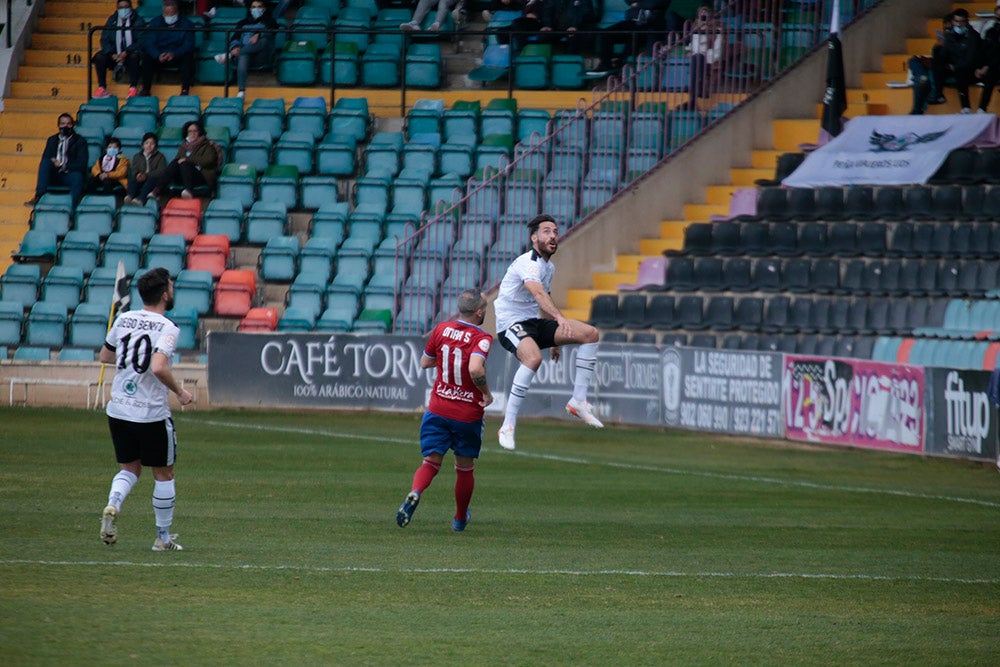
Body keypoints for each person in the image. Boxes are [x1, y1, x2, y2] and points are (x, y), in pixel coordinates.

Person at [99, 267, 194, 552]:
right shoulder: (167, 327)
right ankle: (162, 538)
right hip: (150, 413)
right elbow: (158, 366)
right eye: (172, 287)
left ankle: (113, 504)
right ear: (165, 294)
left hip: (118, 410)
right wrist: (180, 392)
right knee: (164, 474)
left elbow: (105, 355)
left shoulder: (124, 318)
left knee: (129, 468)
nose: (173, 291)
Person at [494, 213, 603, 451]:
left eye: (555, 231)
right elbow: (538, 294)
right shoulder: (528, 262)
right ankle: (508, 425)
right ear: (534, 238)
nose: (553, 236)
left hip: (533, 321)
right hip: (511, 324)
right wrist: (559, 318)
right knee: (533, 358)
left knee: (590, 334)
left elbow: (546, 298)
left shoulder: (548, 266)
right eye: (547, 231)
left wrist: (555, 338)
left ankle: (578, 401)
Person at [396, 290, 494, 532]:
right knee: (464, 467)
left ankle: (416, 491)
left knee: (430, 462)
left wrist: (446, 359)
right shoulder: (482, 338)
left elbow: (424, 363)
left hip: (438, 408)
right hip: (466, 413)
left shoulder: (440, 329)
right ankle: (460, 519)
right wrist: (487, 394)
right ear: (479, 312)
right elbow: (476, 369)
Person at [213, 0, 279, 99]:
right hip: (245, 57)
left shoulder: (270, 21)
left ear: (264, 9)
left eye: (259, 7)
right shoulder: (242, 23)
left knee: (264, 40)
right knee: (244, 55)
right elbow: (235, 38)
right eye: (253, 7)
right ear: (250, 9)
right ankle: (241, 92)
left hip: (261, 56)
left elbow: (272, 33)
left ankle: (230, 55)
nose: (256, 9)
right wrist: (235, 47)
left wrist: (259, 34)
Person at [586, 0, 670, 76]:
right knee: (607, 33)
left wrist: (638, 3)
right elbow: (630, 1)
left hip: (652, 26)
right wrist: (641, 4)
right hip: (633, 22)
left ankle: (623, 63)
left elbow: (656, 3)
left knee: (635, 36)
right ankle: (605, 64)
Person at [24, 113, 90, 209]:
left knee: (78, 177)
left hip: (69, 174)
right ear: (58, 125)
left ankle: (71, 208)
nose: (65, 126)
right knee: (45, 163)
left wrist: (63, 165)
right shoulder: (52, 140)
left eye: (68, 124)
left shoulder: (80, 141)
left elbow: (82, 164)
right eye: (63, 124)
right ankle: (39, 197)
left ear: (72, 125)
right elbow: (46, 157)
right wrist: (54, 162)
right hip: (54, 174)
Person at [931, 8, 983, 113]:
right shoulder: (949, 35)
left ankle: (966, 107)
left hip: (969, 69)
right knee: (935, 63)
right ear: (953, 21)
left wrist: (955, 66)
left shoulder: (973, 37)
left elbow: (971, 59)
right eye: (956, 21)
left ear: (966, 22)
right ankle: (938, 94)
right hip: (953, 66)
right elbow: (943, 56)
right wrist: (938, 47)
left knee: (961, 72)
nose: (959, 25)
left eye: (961, 22)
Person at [141, 0, 196, 96]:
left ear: (177, 11)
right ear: (163, 11)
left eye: (172, 13)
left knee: (188, 56)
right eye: (167, 13)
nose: (169, 15)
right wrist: (157, 55)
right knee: (147, 57)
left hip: (177, 55)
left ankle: (185, 90)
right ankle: (145, 89)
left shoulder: (187, 24)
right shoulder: (155, 23)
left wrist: (174, 54)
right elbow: (149, 42)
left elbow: (188, 44)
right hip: (159, 55)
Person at [92, 0, 145, 99]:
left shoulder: (138, 20)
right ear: (117, 9)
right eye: (121, 7)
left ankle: (133, 88)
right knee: (99, 56)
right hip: (114, 55)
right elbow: (104, 39)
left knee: (135, 56)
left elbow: (141, 41)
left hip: (130, 55)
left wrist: (127, 52)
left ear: (131, 7)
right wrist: (112, 54)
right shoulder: (112, 20)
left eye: (126, 7)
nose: (123, 10)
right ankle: (102, 88)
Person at [157, 121, 221, 200]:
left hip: (201, 175)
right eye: (190, 131)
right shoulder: (184, 146)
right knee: (175, 163)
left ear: (200, 132)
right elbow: (178, 160)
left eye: (195, 131)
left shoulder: (207, 145)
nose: (192, 133)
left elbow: (209, 160)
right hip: (184, 175)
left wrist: (189, 159)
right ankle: (158, 190)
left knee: (185, 163)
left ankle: (189, 191)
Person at [685, 3, 723, 107]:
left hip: (709, 59)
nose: (703, 16)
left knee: (698, 58)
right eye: (701, 14)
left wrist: (704, 54)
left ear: (710, 17)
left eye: (705, 14)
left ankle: (693, 98)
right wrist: (692, 52)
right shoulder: (695, 30)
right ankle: (698, 91)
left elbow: (717, 51)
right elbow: (692, 46)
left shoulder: (717, 30)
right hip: (696, 59)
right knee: (696, 58)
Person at [125, 132, 167, 206]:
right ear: (143, 145)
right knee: (133, 180)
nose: (149, 146)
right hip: (140, 178)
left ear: (155, 146)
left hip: (152, 179)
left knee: (151, 181)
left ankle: (140, 200)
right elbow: (134, 169)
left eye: (152, 144)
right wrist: (138, 174)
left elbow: (161, 171)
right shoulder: (137, 156)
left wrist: (146, 175)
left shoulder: (160, 156)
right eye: (146, 143)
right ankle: (130, 197)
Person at [976, 3, 1000, 113]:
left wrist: (987, 66)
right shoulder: (991, 32)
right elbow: (985, 51)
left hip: (994, 64)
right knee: (989, 76)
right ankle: (981, 109)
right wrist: (980, 66)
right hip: (993, 66)